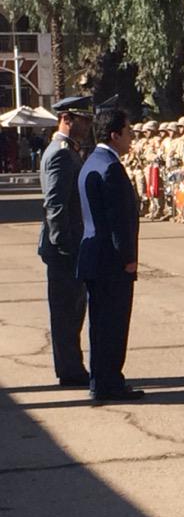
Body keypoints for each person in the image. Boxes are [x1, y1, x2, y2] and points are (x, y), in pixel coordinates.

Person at [76, 108, 144, 401]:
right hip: (111, 261)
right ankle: (110, 383)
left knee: (101, 326)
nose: (131, 138)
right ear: (115, 135)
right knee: (113, 326)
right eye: (128, 132)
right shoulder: (110, 167)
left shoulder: (92, 161)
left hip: (94, 257)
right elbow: (119, 220)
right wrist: (129, 257)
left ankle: (101, 381)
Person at [38, 96, 94, 388]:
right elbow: (55, 204)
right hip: (64, 247)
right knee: (65, 312)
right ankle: (70, 370)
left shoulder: (68, 150)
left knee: (72, 311)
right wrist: (65, 246)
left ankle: (72, 366)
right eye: (83, 120)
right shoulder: (60, 153)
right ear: (67, 119)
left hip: (68, 243)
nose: (87, 126)